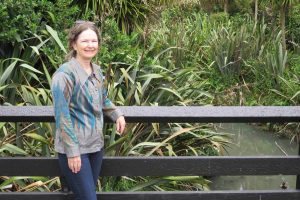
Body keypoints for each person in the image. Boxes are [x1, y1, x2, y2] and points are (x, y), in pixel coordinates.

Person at [51, 20, 126, 200]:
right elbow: (62, 115)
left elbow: (103, 98)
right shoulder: (64, 74)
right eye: (85, 41)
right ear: (74, 44)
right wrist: (73, 152)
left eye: (94, 41)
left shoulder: (97, 71)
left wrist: (117, 114)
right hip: (76, 148)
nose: (90, 45)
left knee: (85, 196)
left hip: (95, 145)